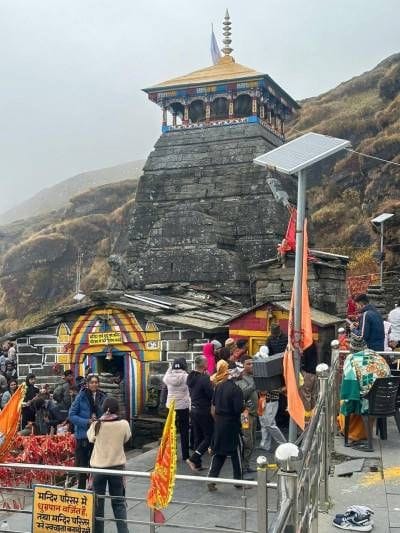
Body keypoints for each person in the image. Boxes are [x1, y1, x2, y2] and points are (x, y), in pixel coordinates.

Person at [88, 397, 131, 533]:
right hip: (117, 469)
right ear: (117, 409)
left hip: (98, 469)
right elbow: (127, 438)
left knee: (98, 504)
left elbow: (90, 438)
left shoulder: (97, 424)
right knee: (119, 503)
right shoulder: (123, 424)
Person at [339, 333, 390, 446]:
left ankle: (352, 434)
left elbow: (349, 388)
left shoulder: (352, 359)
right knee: (362, 393)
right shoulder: (378, 356)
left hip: (369, 403)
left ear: (351, 350)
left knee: (346, 401)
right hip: (388, 401)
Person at [208, 360, 244, 491]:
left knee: (219, 452)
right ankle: (238, 481)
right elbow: (238, 409)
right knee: (237, 452)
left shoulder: (219, 386)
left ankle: (211, 479)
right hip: (232, 424)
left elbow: (214, 406)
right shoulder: (236, 390)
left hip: (219, 423)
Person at [69, 374, 107, 489]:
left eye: (96, 382)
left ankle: (93, 488)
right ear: (87, 384)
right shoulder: (81, 397)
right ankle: (81, 490)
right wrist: (87, 422)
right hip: (83, 436)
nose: (94, 384)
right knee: (82, 465)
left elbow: (107, 412)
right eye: (92, 382)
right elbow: (71, 415)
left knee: (95, 464)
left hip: (97, 435)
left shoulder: (102, 396)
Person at [186, 355, 214, 472]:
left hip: (193, 409)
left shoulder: (190, 377)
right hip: (203, 410)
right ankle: (194, 458)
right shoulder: (204, 378)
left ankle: (197, 464)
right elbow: (211, 394)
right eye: (206, 361)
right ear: (203, 364)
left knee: (198, 437)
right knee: (210, 436)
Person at [162, 358, 190, 461]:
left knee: (171, 431)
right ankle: (185, 455)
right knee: (184, 431)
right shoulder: (186, 377)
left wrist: (171, 368)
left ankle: (172, 455)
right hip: (183, 406)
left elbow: (165, 377)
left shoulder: (168, 377)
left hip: (171, 406)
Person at [236, 357, 258, 474]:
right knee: (247, 441)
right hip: (245, 414)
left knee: (252, 440)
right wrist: (253, 386)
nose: (251, 366)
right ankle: (242, 467)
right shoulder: (240, 378)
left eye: (252, 363)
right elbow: (241, 394)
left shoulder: (252, 377)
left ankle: (246, 464)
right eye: (248, 364)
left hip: (254, 414)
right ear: (243, 365)